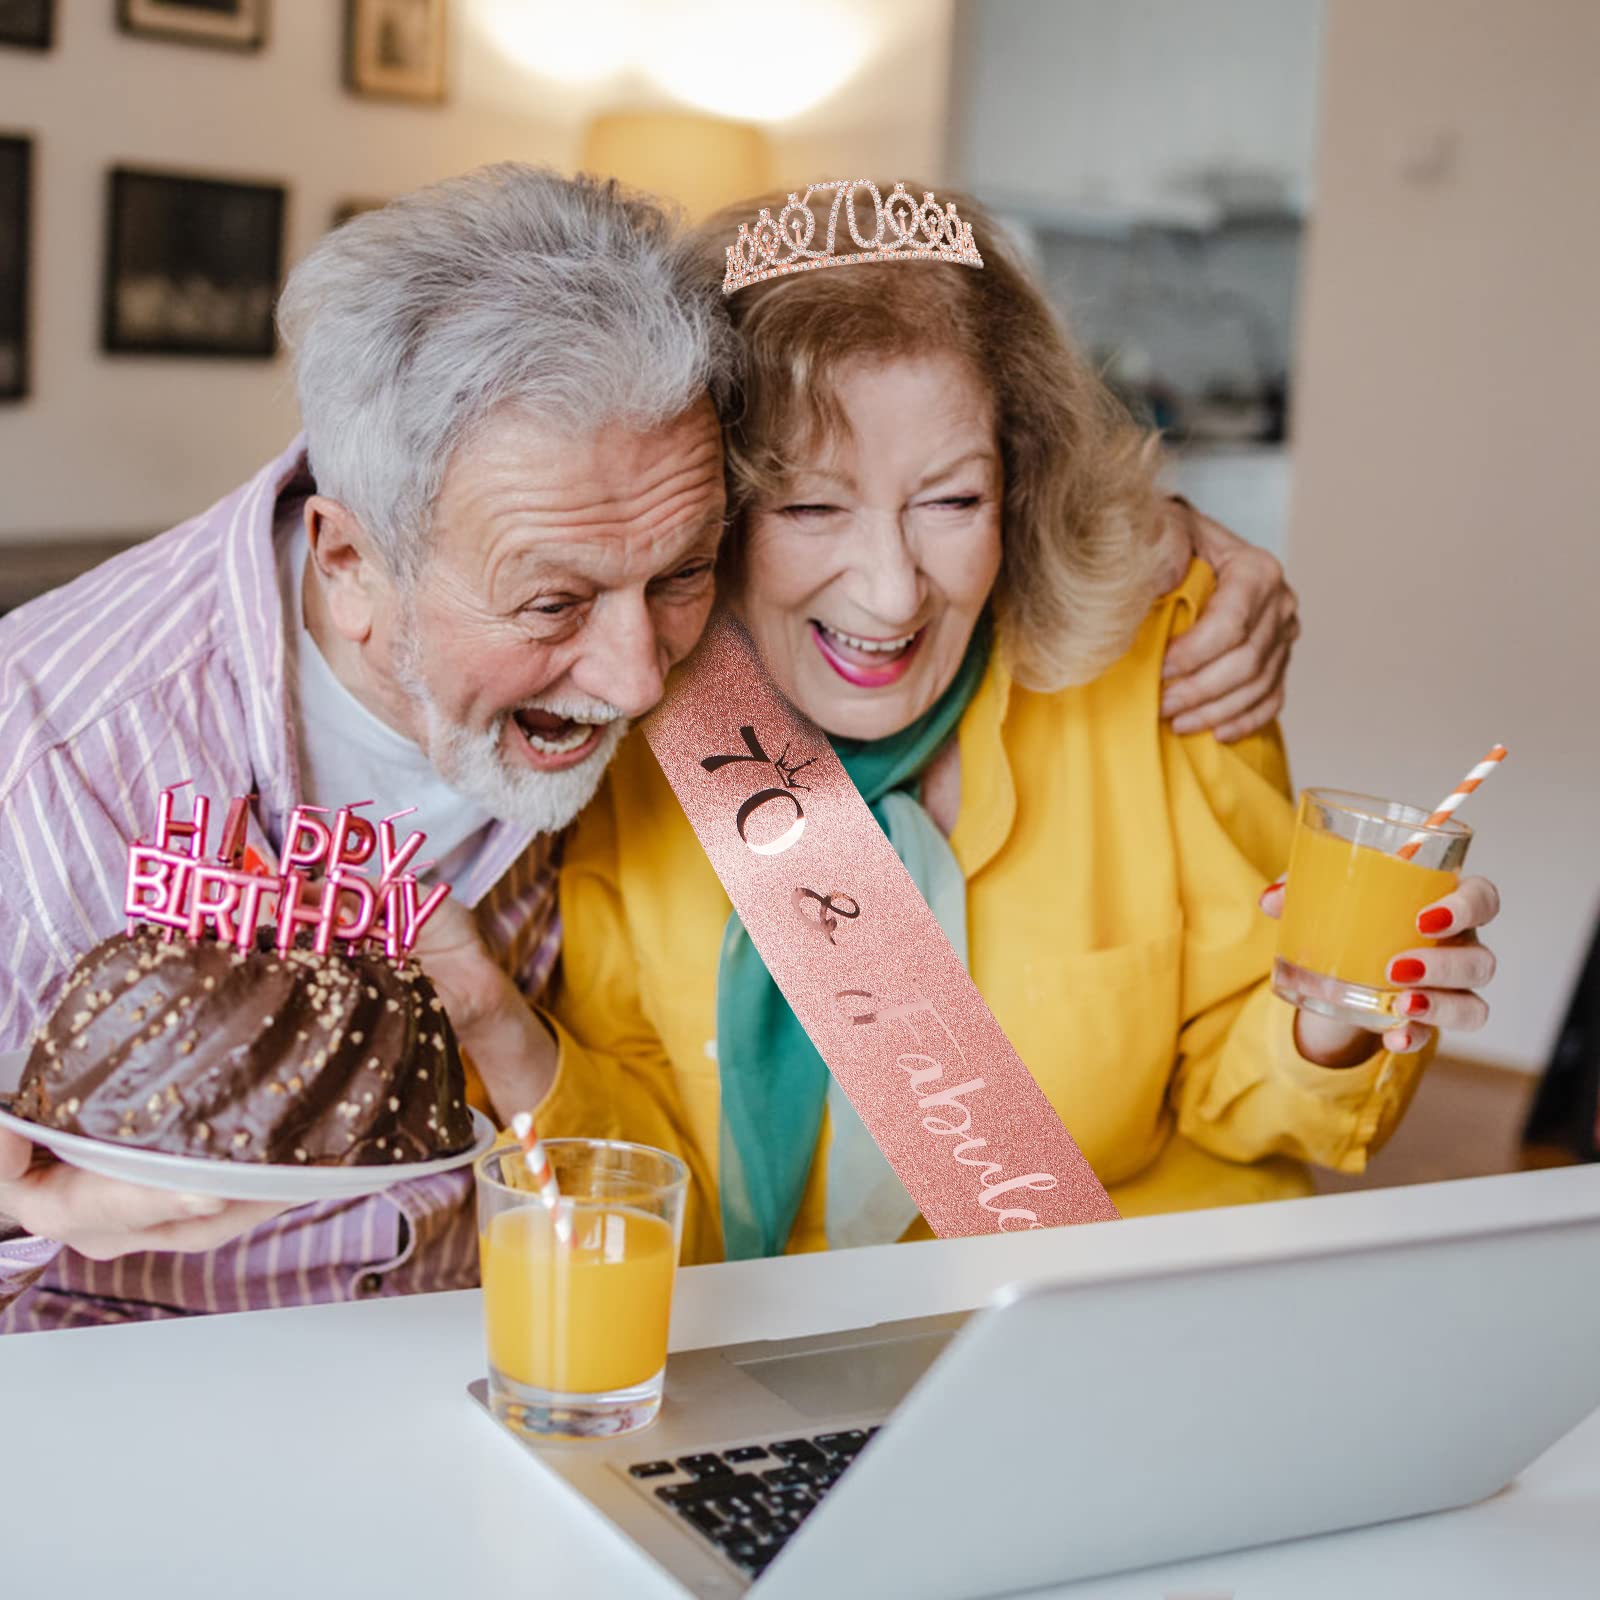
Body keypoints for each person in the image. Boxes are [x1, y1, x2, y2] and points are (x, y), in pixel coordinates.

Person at [0, 166, 1288, 1331]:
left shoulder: (709, 654)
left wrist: (1171, 533)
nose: (634, 681)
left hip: (538, 1370)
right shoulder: (53, 758)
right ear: (351, 560)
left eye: (681, 572)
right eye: (554, 602)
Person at [527, 183, 1502, 1264]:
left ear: (1019, 486)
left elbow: (1247, 1092)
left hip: (1133, 1321)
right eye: (810, 507)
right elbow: (640, 1159)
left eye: (951, 502)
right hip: (797, 1362)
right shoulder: (643, 718)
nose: (893, 593)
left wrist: (1332, 1018)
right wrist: (483, 1016)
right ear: (714, 507)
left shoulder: (1163, 663)